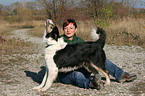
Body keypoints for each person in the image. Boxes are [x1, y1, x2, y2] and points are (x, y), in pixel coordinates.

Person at [55, 19, 137, 89]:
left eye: (71, 28)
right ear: (63, 30)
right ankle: (92, 84)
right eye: (65, 28)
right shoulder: (58, 42)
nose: (68, 30)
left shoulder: (79, 41)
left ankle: (120, 75)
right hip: (65, 73)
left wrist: (88, 65)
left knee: (97, 57)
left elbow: (87, 55)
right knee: (77, 75)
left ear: (76, 29)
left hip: (81, 66)